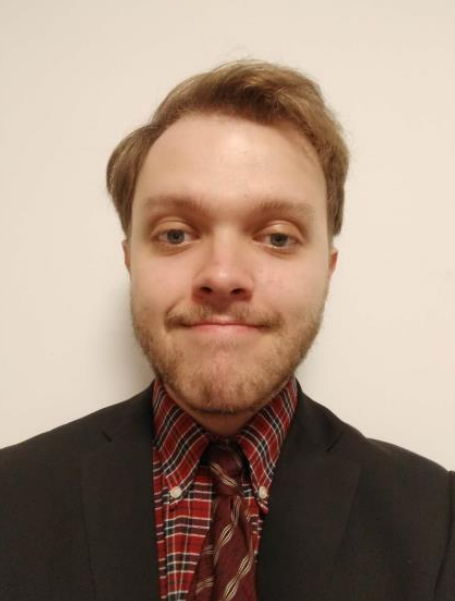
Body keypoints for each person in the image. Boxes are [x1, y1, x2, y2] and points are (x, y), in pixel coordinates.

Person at [1, 60, 454, 601]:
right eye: (175, 233)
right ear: (130, 261)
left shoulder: (439, 520)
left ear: (328, 270)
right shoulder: (11, 499)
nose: (221, 275)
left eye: (278, 237)